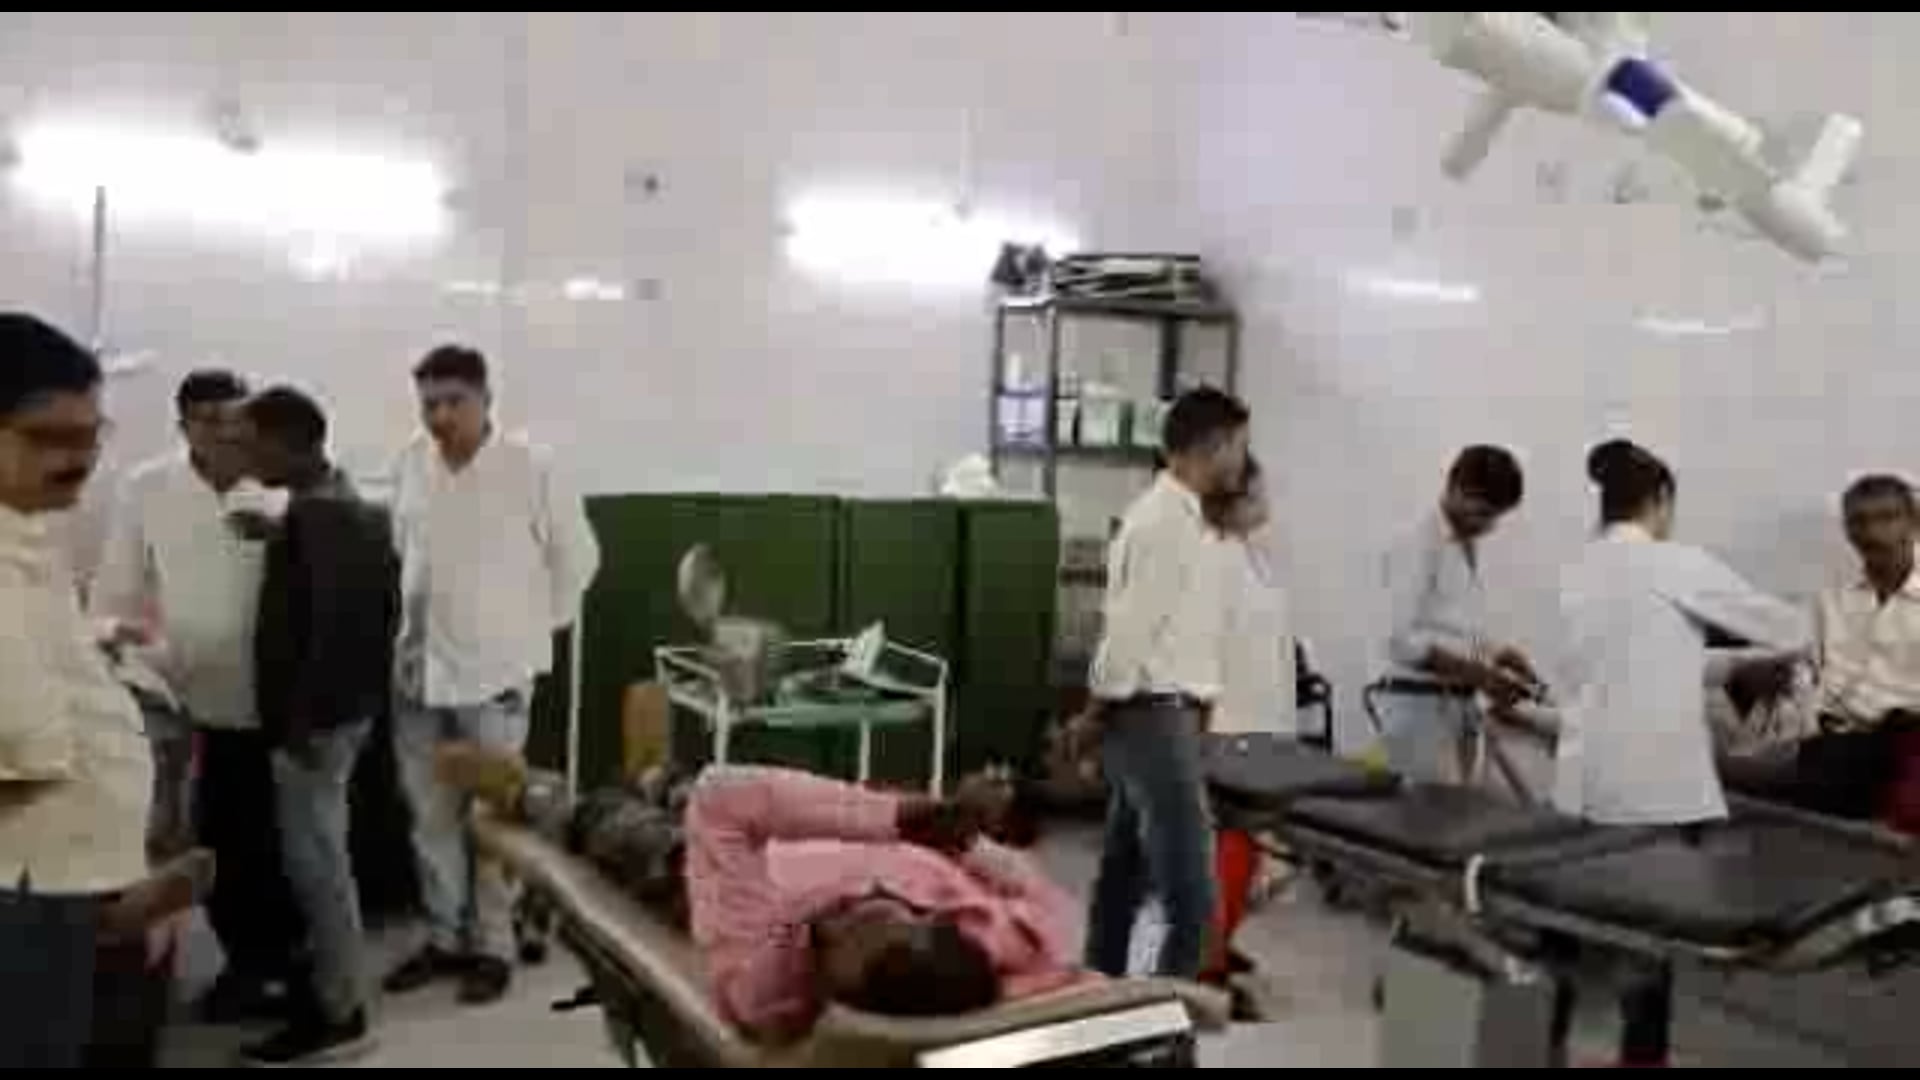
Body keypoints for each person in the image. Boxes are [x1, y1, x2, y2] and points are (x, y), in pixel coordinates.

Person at [1553, 439, 1812, 1068]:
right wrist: (1776, 647)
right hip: (1655, 791)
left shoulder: (1581, 569)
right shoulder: (1674, 562)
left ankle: (1547, 1046)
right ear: (1661, 500)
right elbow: (1792, 629)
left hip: (1583, 783)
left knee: (1567, 932)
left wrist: (1734, 665)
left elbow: (1654, 659)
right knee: (1653, 942)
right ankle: (1642, 1059)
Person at [0, 312, 205, 1067]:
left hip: (62, 879)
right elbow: (25, 742)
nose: (80, 459)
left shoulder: (27, 525)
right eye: (50, 436)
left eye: (92, 435)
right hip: (23, 887)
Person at [386, 344, 602, 1006]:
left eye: (454, 402)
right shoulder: (411, 463)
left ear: (486, 401)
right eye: (429, 404)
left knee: (493, 817)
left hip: (495, 672)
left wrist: (528, 636)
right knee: (429, 813)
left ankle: (494, 946)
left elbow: (578, 559)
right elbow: (403, 551)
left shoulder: (531, 467)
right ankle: (445, 936)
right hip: (417, 668)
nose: (440, 416)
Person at [91, 370, 300, 1020]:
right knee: (211, 842)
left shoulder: (275, 486)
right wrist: (122, 649)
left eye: (236, 418)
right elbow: (117, 592)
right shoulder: (147, 487)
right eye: (209, 419)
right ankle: (242, 968)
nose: (225, 432)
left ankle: (284, 965)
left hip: (273, 697)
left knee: (282, 840)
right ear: (183, 426)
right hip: (183, 697)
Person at [239, 388, 400, 1067]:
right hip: (344, 713)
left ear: (287, 443)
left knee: (318, 868)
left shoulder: (316, 517)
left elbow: (329, 628)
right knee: (320, 860)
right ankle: (333, 989)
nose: (246, 456)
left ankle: (341, 1012)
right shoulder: (344, 506)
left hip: (316, 725)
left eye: (252, 442)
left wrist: (299, 721)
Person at [686, 766, 1077, 1042]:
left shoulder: (761, 978)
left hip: (733, 845)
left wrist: (892, 817)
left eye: (834, 936)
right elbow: (1045, 903)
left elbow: (719, 796)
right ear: (930, 922)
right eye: (875, 914)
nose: (843, 908)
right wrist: (967, 841)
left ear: (833, 987)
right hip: (829, 825)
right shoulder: (1000, 936)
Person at [1077, 387, 1251, 981]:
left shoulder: (1179, 518)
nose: (1242, 461)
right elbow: (1127, 636)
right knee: (1194, 900)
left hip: (1159, 711)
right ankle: (1169, 1019)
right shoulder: (1166, 524)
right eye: (1239, 446)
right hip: (1154, 714)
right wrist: (1094, 714)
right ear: (1215, 446)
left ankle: (1098, 991)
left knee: (1123, 876)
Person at [1376, 445, 1540, 783]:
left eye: (1495, 517)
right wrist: (1482, 676)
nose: (1488, 526)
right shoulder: (1417, 542)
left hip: (1457, 707)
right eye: (1482, 513)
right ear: (1455, 487)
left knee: (1461, 808)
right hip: (1420, 712)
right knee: (1431, 812)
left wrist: (1498, 654)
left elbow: (1454, 628)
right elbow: (1402, 640)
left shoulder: (1464, 544)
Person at [1198, 458, 1294, 1005]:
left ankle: (1221, 939)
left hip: (1261, 722)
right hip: (1228, 724)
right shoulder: (1213, 560)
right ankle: (1206, 965)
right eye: (1258, 491)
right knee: (1230, 848)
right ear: (1232, 498)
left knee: (1248, 848)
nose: (1266, 500)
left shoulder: (1252, 556)